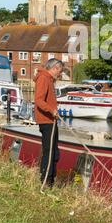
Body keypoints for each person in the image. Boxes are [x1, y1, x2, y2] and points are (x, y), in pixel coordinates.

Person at [34, 58, 64, 187]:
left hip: (51, 120)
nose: (60, 74)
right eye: (60, 71)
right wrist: (51, 110)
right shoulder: (43, 78)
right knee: (49, 151)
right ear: (55, 68)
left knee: (54, 152)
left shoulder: (49, 80)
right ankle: (46, 181)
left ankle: (51, 179)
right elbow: (39, 100)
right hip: (46, 121)